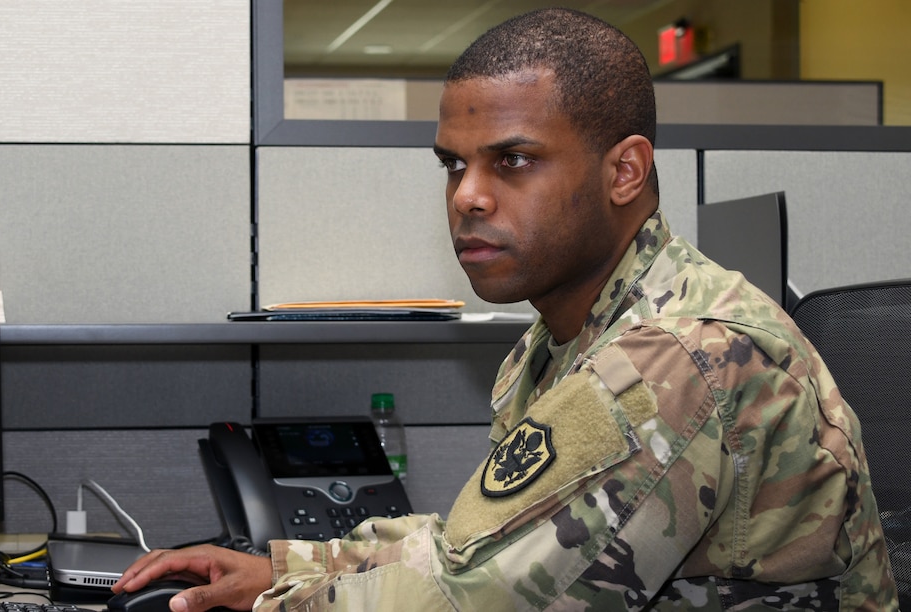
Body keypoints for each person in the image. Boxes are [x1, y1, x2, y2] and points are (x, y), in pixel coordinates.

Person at [112, 8, 896, 610]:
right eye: (454, 165)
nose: (467, 196)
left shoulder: (673, 362)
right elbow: (475, 547)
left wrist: (280, 601)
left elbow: (478, 600)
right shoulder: (563, 337)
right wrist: (287, 565)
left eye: (512, 161)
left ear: (625, 171)